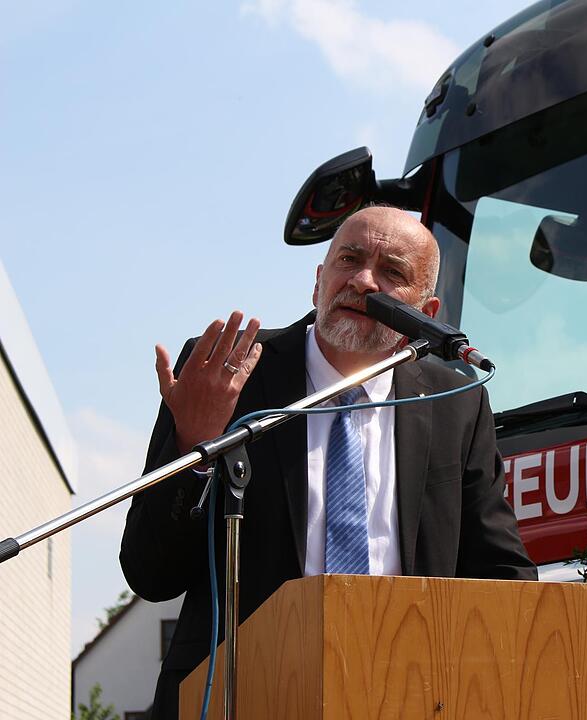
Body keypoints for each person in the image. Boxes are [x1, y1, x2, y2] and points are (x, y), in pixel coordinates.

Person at [121, 206, 536, 719]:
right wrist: (195, 444)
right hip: (241, 695)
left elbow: (501, 577)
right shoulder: (230, 374)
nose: (362, 280)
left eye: (392, 273)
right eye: (349, 259)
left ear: (425, 314)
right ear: (319, 281)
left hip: (407, 694)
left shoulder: (454, 402)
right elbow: (149, 572)